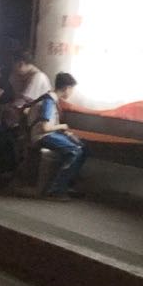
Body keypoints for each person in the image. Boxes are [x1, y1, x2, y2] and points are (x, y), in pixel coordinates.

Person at [30, 71, 87, 200]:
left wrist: (66, 133)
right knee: (75, 151)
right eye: (72, 90)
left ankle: (66, 184)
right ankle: (55, 190)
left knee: (83, 148)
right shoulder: (48, 102)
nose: (71, 93)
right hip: (42, 136)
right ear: (67, 88)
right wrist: (62, 127)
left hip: (49, 134)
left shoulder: (52, 100)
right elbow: (45, 128)